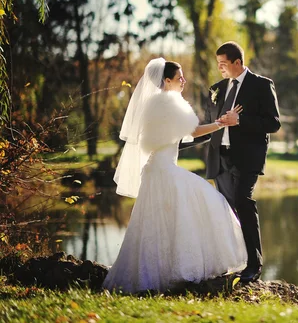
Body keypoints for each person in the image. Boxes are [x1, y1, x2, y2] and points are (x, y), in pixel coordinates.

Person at [102, 58, 247, 293]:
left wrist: (216, 127)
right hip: (164, 170)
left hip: (154, 170)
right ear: (166, 80)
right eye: (179, 77)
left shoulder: (154, 104)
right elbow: (193, 132)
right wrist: (221, 124)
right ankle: (177, 271)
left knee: (155, 225)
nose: (184, 81)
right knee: (209, 200)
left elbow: (179, 139)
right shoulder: (169, 103)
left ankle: (153, 274)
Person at [201, 41, 281, 283]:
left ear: (238, 62)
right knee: (226, 208)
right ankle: (232, 259)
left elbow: (273, 123)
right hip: (220, 157)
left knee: (243, 202)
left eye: (224, 64)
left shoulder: (261, 85)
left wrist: (240, 121)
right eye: (218, 64)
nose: (220, 69)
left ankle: (254, 265)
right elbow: (209, 125)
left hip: (248, 157)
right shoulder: (216, 88)